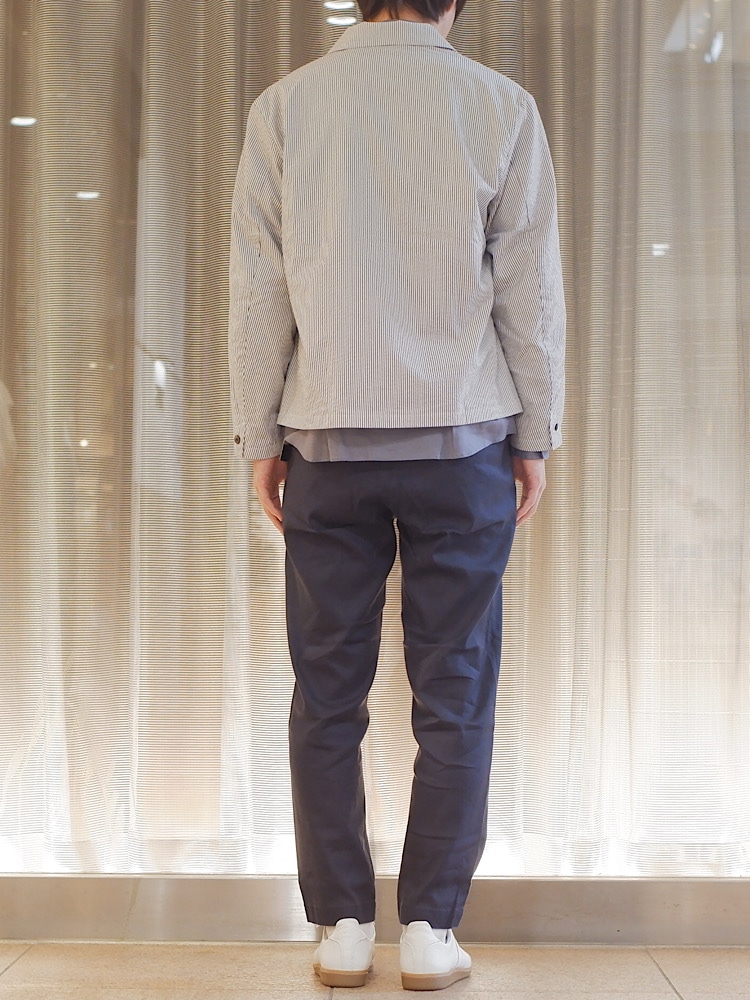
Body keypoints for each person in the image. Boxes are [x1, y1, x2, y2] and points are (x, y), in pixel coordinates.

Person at [228, 0, 565, 990]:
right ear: (452, 2)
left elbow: (260, 289)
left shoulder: (285, 107)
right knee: (455, 690)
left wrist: (261, 435)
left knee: (326, 692)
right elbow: (529, 290)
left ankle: (341, 924)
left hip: (327, 441)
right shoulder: (500, 106)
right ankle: (428, 928)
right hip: (463, 442)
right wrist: (535, 435)